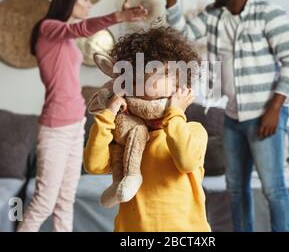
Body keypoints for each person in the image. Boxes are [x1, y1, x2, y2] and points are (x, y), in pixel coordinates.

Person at [160, 0, 289, 232]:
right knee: (235, 189)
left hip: (265, 115)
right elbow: (183, 34)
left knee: (273, 189)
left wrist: (274, 109)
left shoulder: (268, 13)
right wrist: (172, 4)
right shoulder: (214, 17)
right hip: (233, 116)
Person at [17, 0, 148, 232]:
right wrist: (118, 15)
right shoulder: (48, 28)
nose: (89, 4)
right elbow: (80, 30)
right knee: (45, 202)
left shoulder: (62, 36)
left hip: (76, 123)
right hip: (55, 128)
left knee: (66, 201)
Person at [83, 27, 211, 231]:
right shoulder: (126, 134)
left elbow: (185, 161)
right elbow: (93, 165)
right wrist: (108, 114)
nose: (149, 80)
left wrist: (175, 112)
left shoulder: (194, 131)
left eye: (160, 73)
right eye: (142, 76)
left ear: (180, 87)